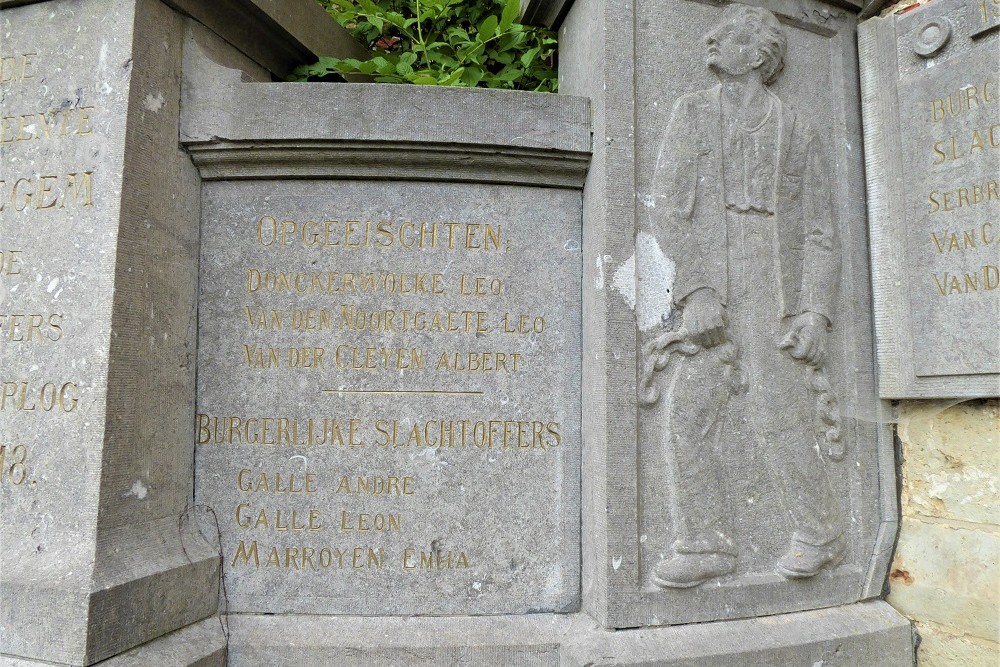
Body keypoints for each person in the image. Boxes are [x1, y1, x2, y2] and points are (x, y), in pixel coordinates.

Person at [645, 3, 845, 588]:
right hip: (713, 267)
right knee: (687, 410)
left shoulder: (796, 127)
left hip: (773, 281)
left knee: (779, 411)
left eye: (727, 35)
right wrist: (698, 290)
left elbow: (819, 229)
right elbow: (668, 206)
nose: (711, 39)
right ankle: (705, 543)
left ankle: (819, 532)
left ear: (758, 55)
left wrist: (815, 310)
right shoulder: (692, 112)